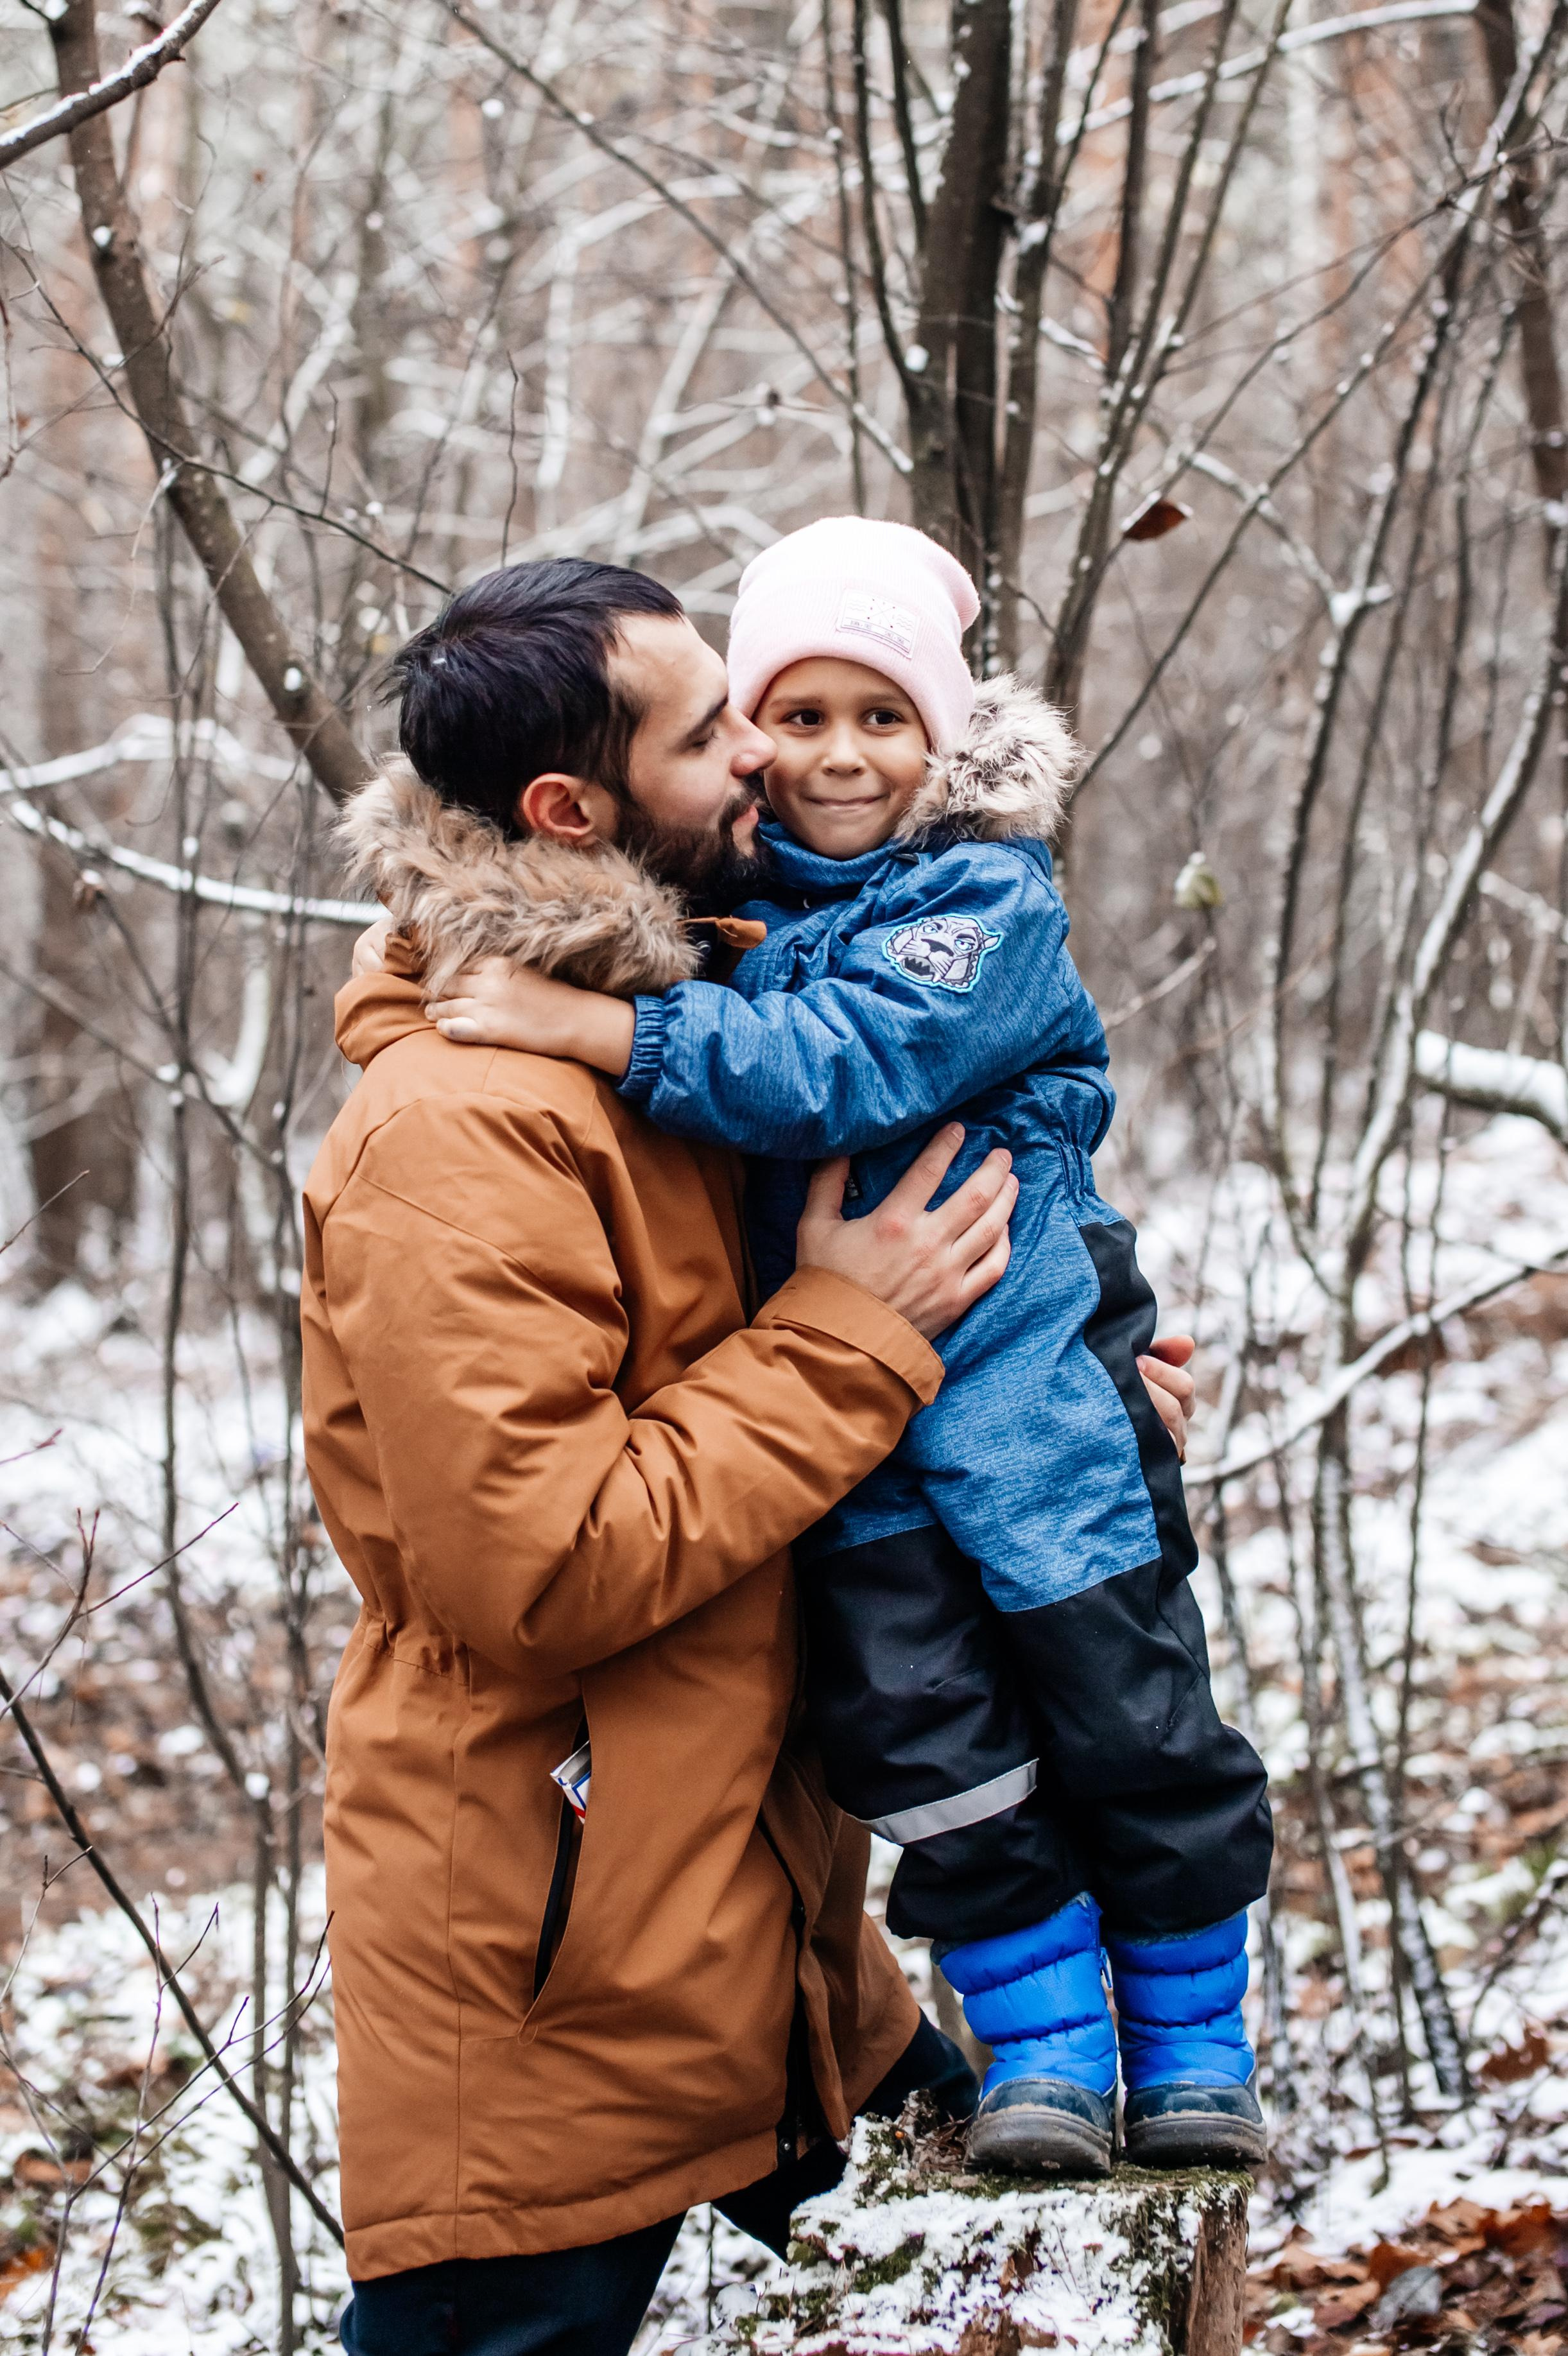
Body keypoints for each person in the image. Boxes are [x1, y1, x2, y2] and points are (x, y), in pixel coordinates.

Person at [312, 555, 1198, 2356]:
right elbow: (548, 1567)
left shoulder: (718, 1025)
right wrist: (856, 1339)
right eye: (711, 727)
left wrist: (1034, 1404)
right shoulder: (463, 1129)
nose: (763, 759)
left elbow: (780, 1436)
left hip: (740, 1906)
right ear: (575, 807)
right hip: (552, 1956)